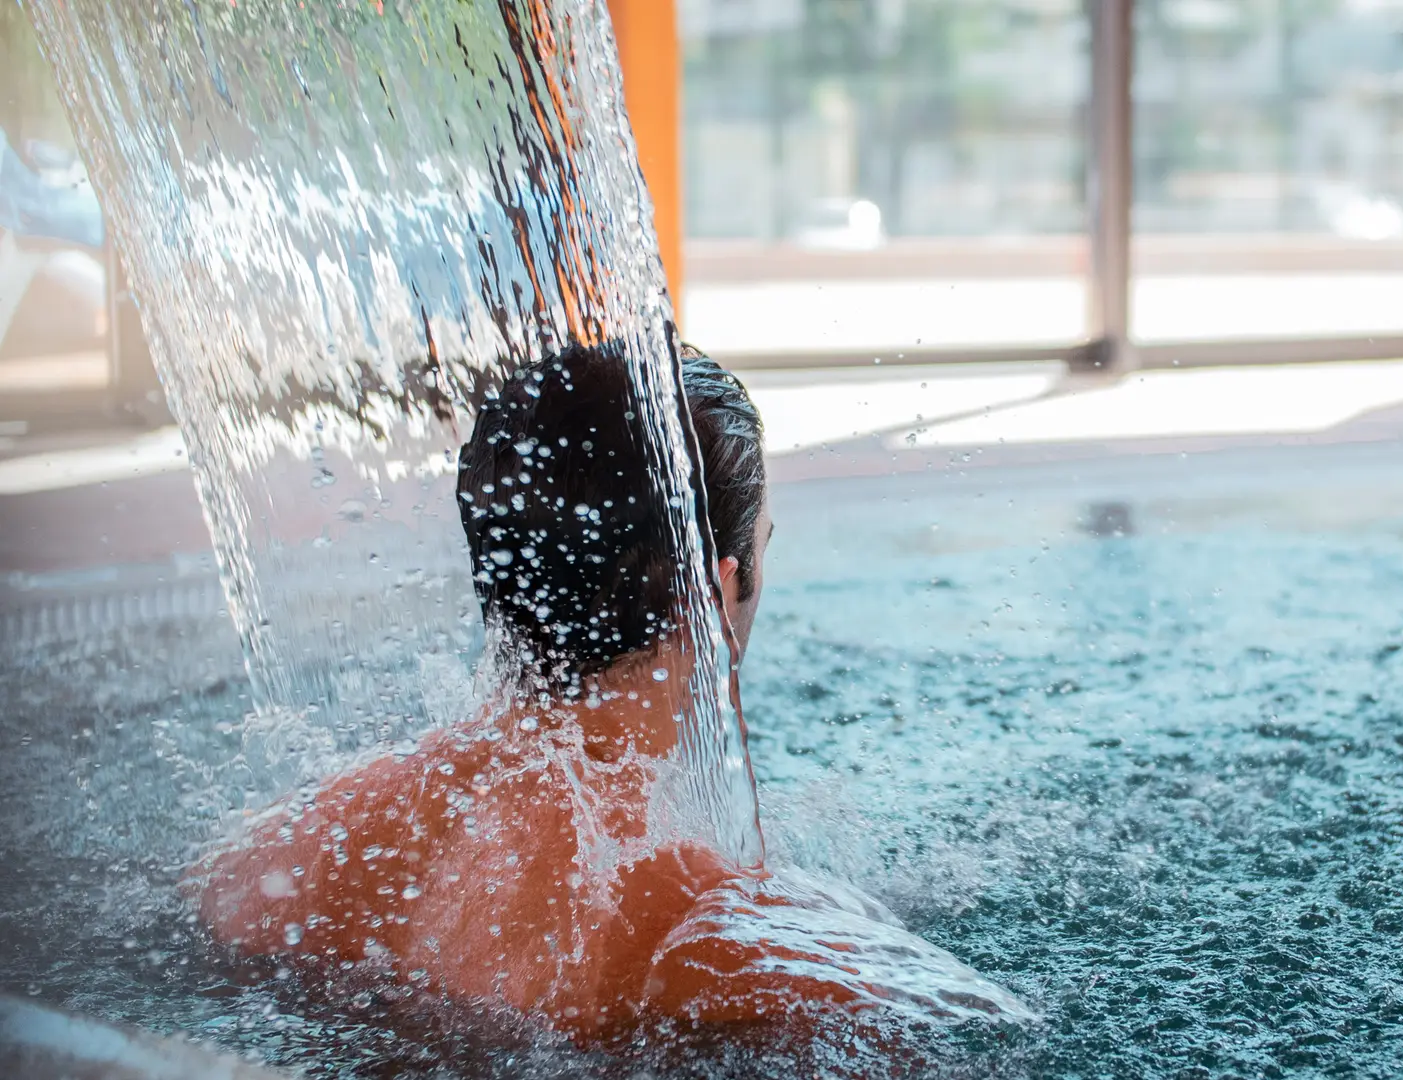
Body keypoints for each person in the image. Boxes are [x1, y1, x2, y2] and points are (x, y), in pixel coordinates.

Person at [188, 338, 1027, 1046]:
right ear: (712, 592)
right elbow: (989, 1035)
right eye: (766, 546)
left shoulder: (290, 853)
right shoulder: (714, 931)